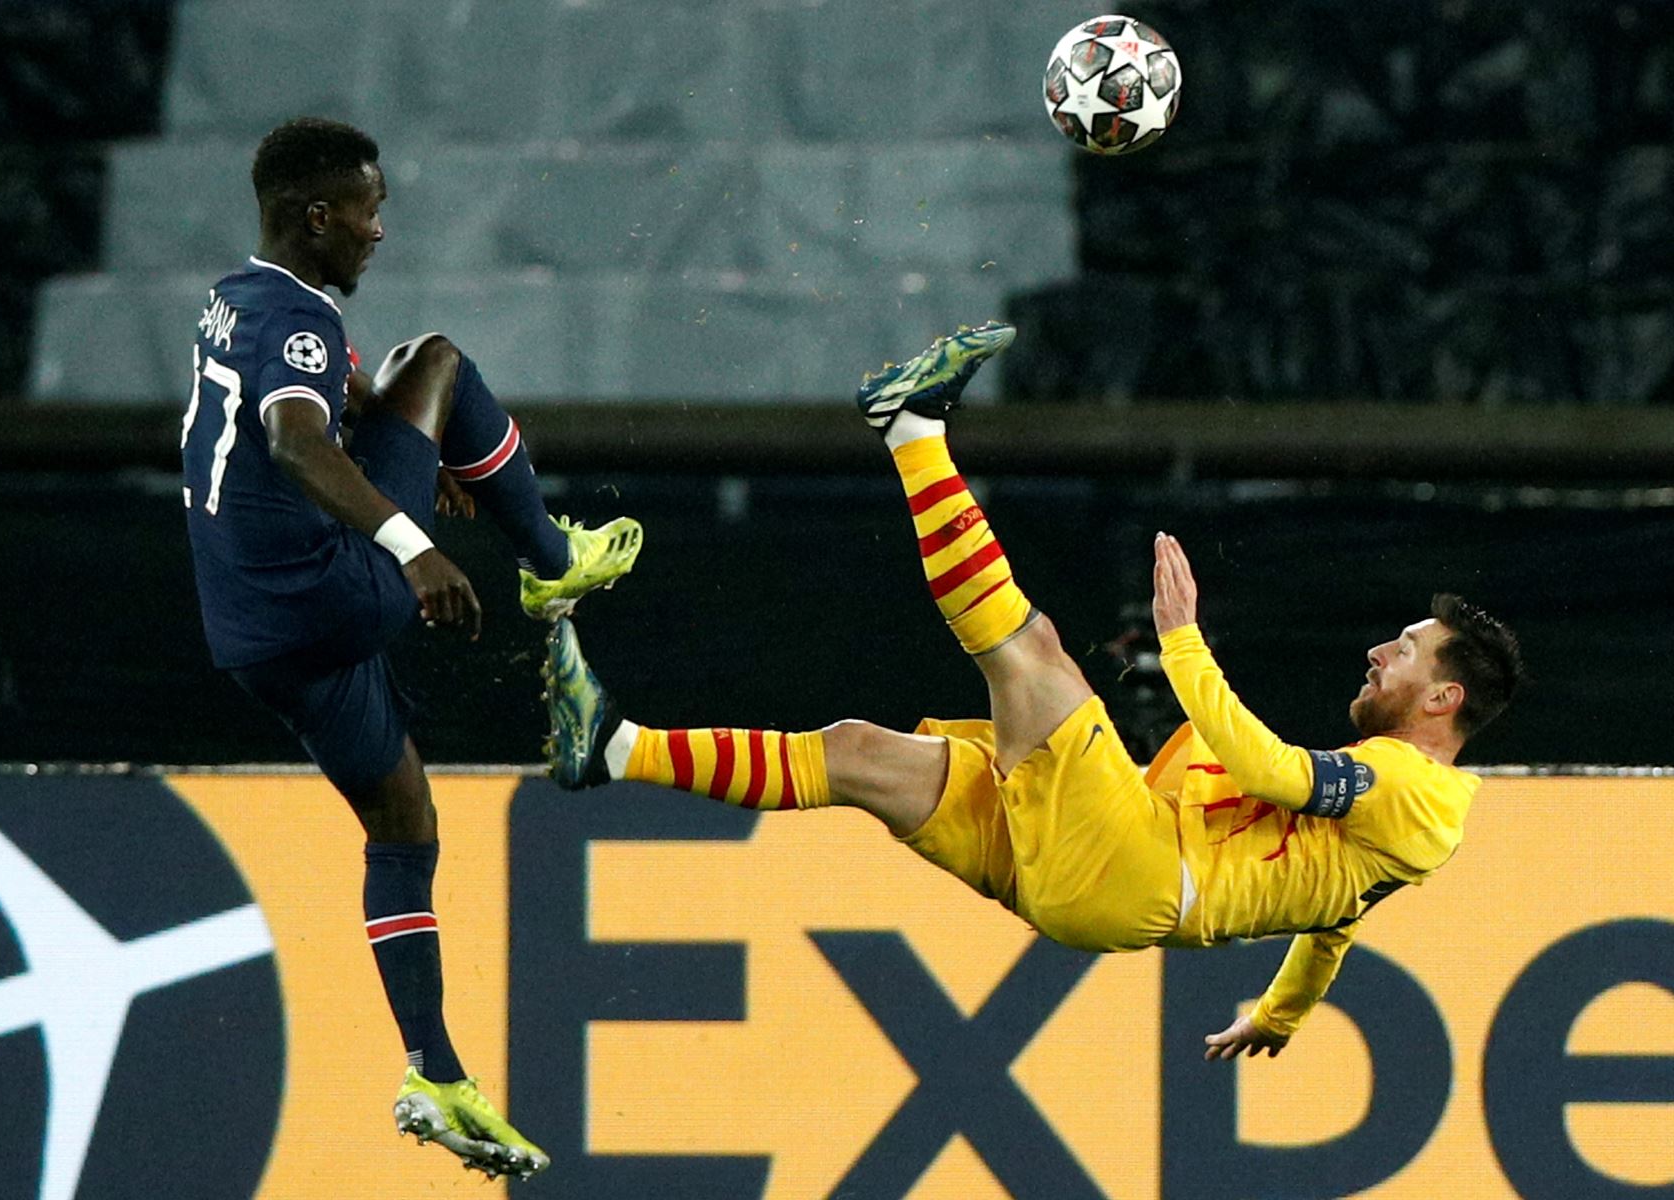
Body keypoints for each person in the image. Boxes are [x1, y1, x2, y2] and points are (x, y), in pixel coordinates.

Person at [542, 321, 1523, 1062]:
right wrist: (1278, 1016)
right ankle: (610, 749)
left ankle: (912, 426)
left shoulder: (1412, 790)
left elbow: (1265, 765)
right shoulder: (1407, 825)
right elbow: (1333, 930)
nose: (1377, 655)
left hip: (1135, 866)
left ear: (1444, 701)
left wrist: (1184, 642)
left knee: (1031, 652)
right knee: (855, 752)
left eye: (1405, 651)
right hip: (1103, 879)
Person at [181, 117, 641, 1178]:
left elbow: (314, 397)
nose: (379, 230)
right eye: (366, 210)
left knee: (402, 819)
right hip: (332, 593)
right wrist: (413, 541)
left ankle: (432, 1067)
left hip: (253, 636)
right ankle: (549, 557)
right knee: (435, 361)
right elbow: (295, 436)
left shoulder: (236, 300)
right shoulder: (294, 321)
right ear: (316, 216)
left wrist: (399, 449)